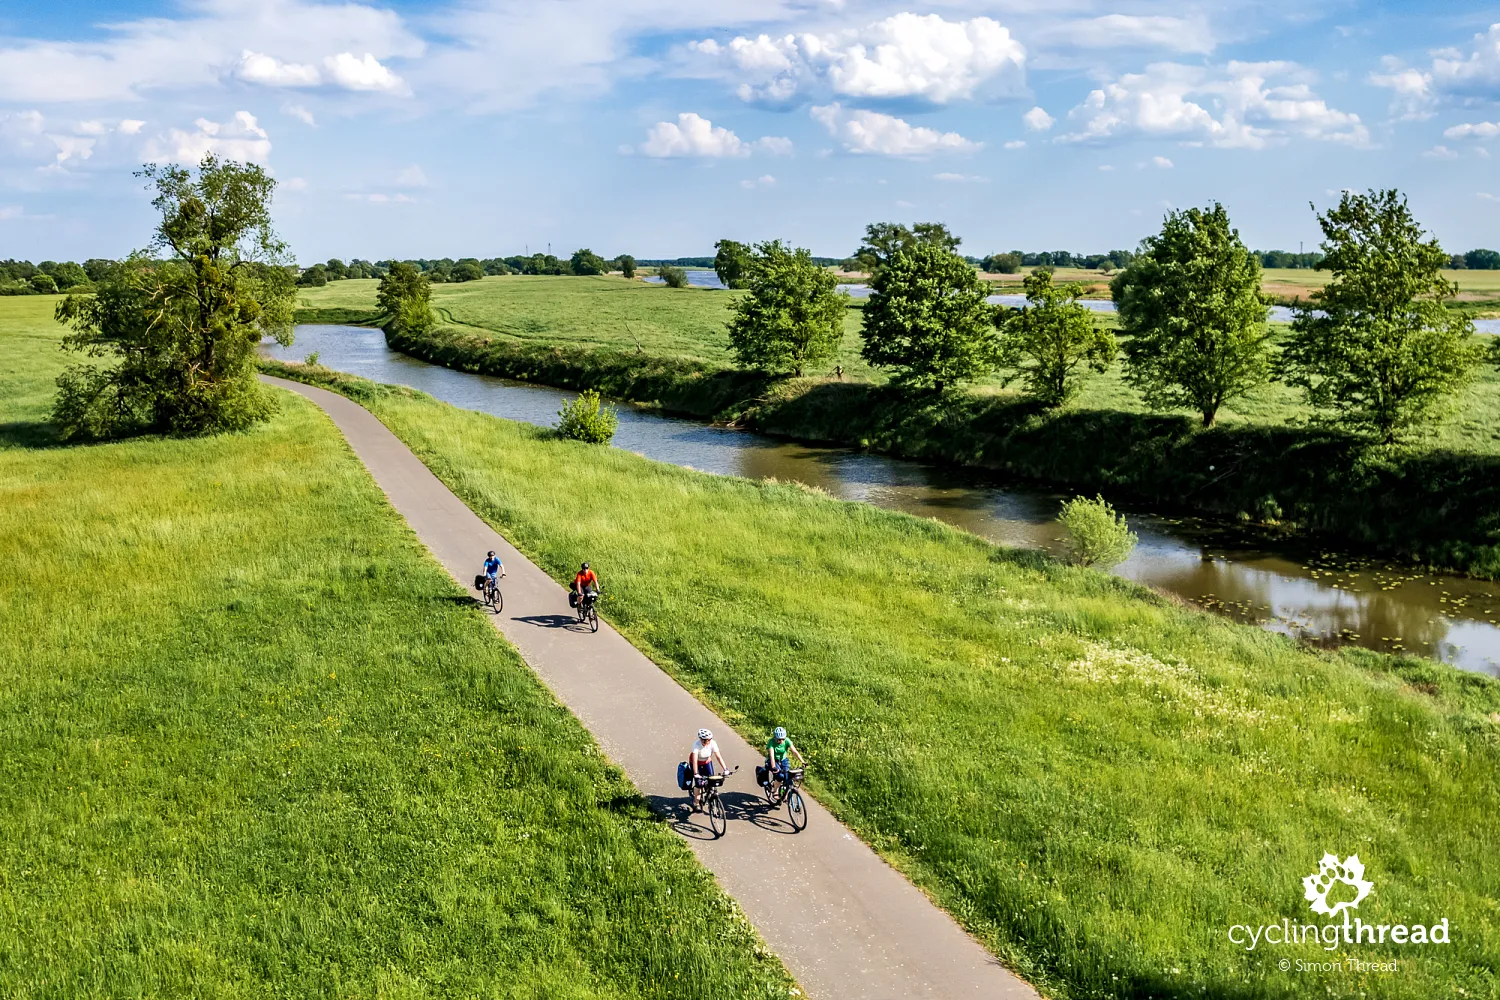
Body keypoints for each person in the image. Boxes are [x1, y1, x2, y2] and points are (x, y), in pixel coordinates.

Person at [688, 727, 730, 811]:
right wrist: (696, 773)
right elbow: (695, 760)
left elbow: (718, 757)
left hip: (707, 762)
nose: (706, 742)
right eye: (704, 740)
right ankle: (696, 803)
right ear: (700, 739)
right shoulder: (696, 745)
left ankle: (710, 797)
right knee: (699, 784)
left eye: (708, 740)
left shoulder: (713, 743)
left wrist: (725, 769)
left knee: (711, 780)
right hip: (697, 763)